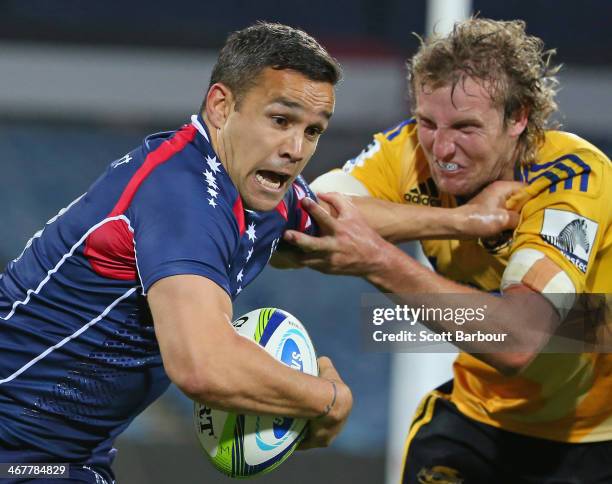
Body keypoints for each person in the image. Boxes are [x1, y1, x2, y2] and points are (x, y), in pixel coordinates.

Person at [0, 22, 354, 483]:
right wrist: (327, 400)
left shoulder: (251, 185)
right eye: (281, 120)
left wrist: (466, 219)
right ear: (222, 107)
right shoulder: (182, 195)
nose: (295, 149)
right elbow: (204, 364)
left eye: (313, 131)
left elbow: (345, 221)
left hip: (65, 457)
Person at [283, 18, 612, 483]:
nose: (441, 148)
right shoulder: (406, 154)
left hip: (596, 438)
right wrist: (460, 220)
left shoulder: (572, 179)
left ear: (518, 117)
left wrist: (378, 259)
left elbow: (520, 338)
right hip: (477, 424)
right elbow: (304, 219)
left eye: (465, 127)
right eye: (426, 122)